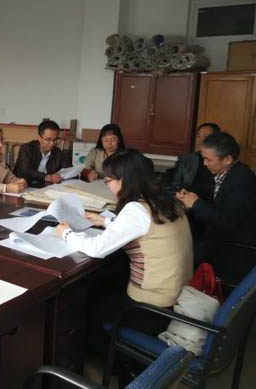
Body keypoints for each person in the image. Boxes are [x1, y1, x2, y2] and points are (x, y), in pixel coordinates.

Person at [56, 149, 192, 347]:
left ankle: (109, 356)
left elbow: (96, 248)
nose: (107, 185)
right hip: (177, 298)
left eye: (107, 180)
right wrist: (105, 221)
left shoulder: (136, 210)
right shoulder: (167, 200)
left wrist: (66, 233)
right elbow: (147, 229)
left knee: (86, 308)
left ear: (124, 180)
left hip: (151, 307)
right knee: (108, 285)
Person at [176, 132, 256, 270]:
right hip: (215, 237)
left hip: (233, 247)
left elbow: (226, 221)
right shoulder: (224, 172)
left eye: (208, 159)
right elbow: (208, 190)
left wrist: (196, 203)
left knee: (179, 256)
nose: (204, 163)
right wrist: (189, 195)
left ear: (227, 159)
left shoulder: (242, 181)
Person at [13, 120, 70, 187]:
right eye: (48, 139)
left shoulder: (57, 152)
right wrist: (47, 177)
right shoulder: (26, 149)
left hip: (44, 187)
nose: (52, 143)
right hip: (24, 186)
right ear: (39, 138)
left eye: (55, 139)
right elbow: (26, 171)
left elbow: (67, 169)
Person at [172, 122, 220, 196]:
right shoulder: (186, 159)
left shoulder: (221, 160)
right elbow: (176, 184)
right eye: (198, 136)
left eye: (206, 136)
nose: (201, 140)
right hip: (187, 198)